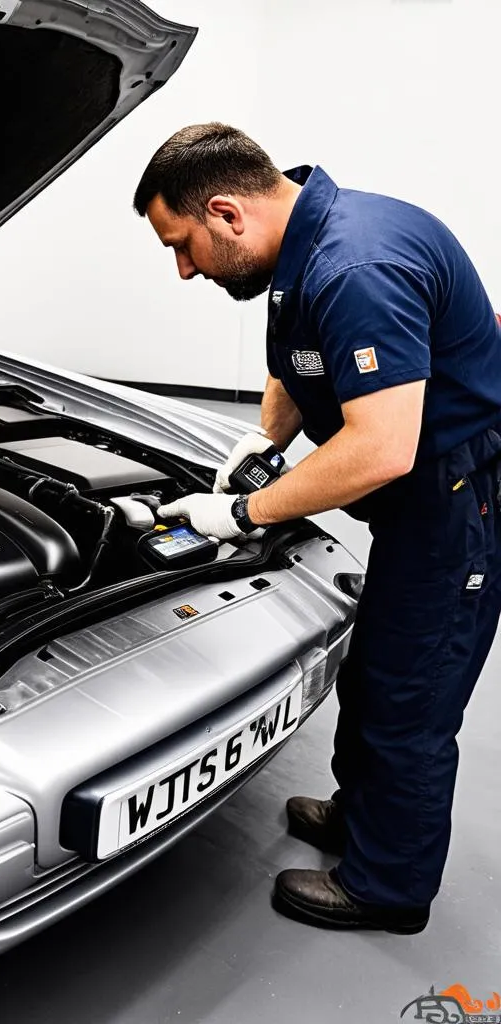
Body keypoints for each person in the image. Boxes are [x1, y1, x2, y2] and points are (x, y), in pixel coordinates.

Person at [133, 123, 501, 934]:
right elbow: (296, 361)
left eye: (183, 245)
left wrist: (242, 511)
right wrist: (263, 444)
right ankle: (361, 819)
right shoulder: (303, 247)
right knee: (375, 672)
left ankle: (388, 887)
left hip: (452, 501)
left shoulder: (355, 266)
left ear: (226, 212)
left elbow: (380, 448)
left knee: (413, 692)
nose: (185, 268)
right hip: (420, 493)